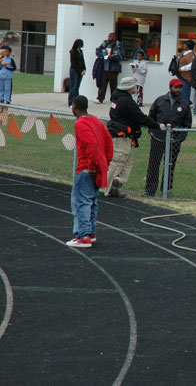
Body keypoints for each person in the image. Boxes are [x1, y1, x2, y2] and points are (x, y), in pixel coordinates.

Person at [66, 95, 113, 248]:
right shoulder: (96, 120)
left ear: (74, 107)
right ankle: (91, 233)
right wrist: (104, 162)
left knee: (81, 202)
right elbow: (108, 142)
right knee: (92, 202)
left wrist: (92, 165)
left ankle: (83, 236)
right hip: (98, 168)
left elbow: (91, 143)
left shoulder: (80, 124)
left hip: (87, 168)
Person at [105, 77, 157, 197]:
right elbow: (139, 116)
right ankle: (106, 190)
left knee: (127, 163)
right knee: (118, 162)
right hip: (120, 137)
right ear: (129, 88)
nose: (136, 87)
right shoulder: (125, 101)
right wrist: (155, 125)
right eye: (134, 86)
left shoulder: (118, 98)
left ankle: (116, 184)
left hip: (123, 136)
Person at [145, 78, 192, 196]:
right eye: (176, 87)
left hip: (174, 140)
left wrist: (180, 138)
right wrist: (153, 130)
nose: (178, 90)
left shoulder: (184, 104)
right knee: (153, 164)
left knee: (170, 165)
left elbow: (187, 124)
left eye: (180, 88)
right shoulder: (160, 101)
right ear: (170, 87)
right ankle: (150, 190)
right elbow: (151, 118)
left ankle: (166, 190)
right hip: (158, 138)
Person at [95, 32, 124, 104]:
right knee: (102, 85)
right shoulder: (105, 44)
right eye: (108, 36)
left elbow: (122, 55)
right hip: (104, 68)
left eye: (111, 36)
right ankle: (100, 98)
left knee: (113, 86)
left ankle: (113, 100)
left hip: (113, 69)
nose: (109, 38)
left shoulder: (119, 45)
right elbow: (98, 51)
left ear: (115, 37)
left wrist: (112, 57)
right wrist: (102, 55)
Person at [68, 39, 86, 107]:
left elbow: (83, 61)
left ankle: (77, 101)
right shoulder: (73, 52)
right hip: (74, 70)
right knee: (73, 86)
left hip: (81, 71)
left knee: (77, 86)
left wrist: (84, 69)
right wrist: (80, 71)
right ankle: (71, 102)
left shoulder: (81, 51)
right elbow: (73, 63)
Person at [177, 39, 195, 104]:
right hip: (181, 75)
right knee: (181, 90)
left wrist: (182, 69)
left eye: (185, 44)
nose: (183, 45)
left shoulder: (191, 54)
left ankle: (185, 105)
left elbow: (191, 65)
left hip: (186, 76)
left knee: (185, 91)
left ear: (188, 46)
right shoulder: (183, 52)